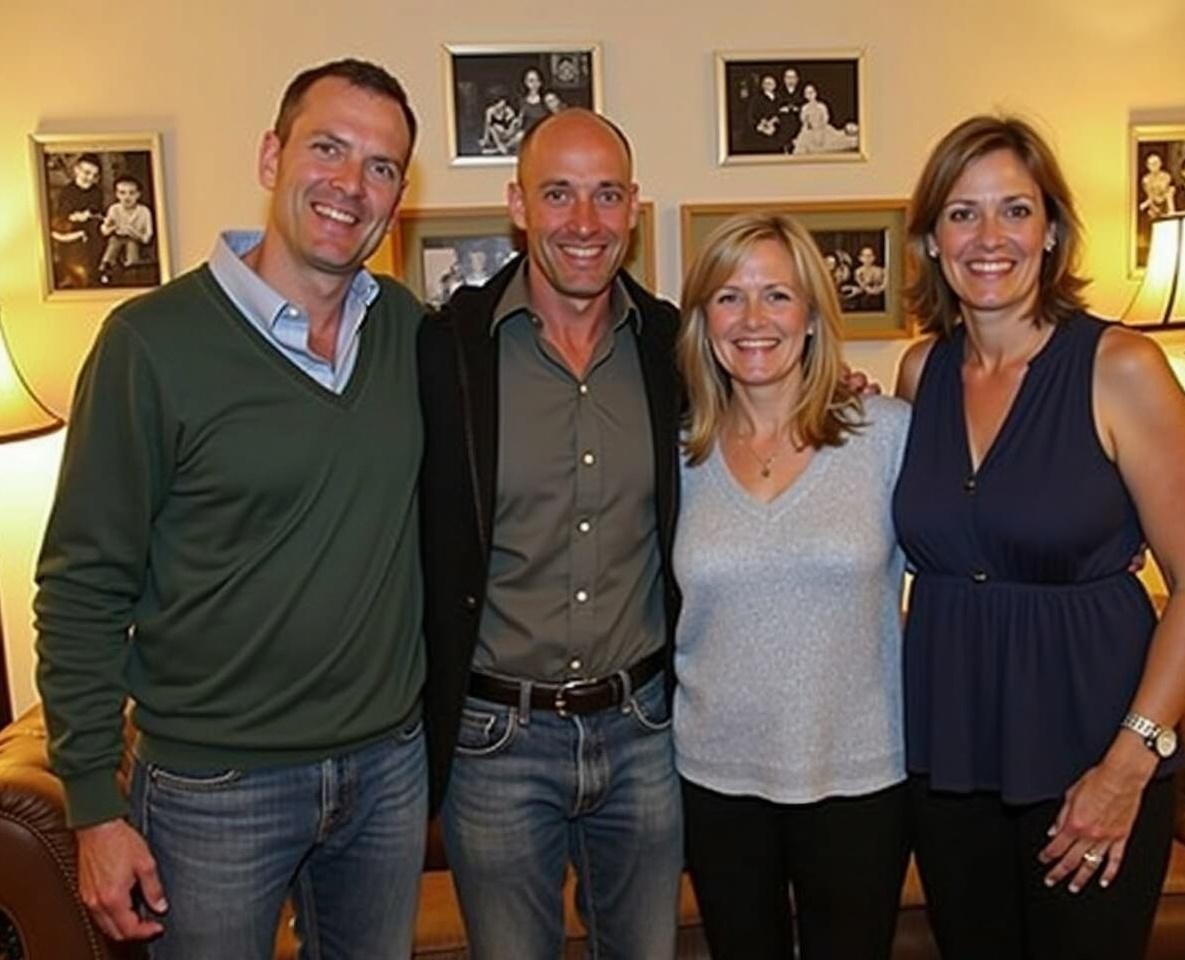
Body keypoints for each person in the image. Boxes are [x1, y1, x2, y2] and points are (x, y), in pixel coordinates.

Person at [34, 58, 427, 960]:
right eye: (328, 148)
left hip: (387, 771)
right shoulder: (150, 345)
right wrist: (93, 805)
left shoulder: (407, 332)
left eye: (381, 167)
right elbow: (82, 586)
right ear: (271, 155)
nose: (351, 185)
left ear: (398, 195)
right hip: (215, 786)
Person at [893, 114, 1185, 959]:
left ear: (1051, 231)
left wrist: (1128, 766)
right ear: (932, 240)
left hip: (1091, 748)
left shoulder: (1123, 368)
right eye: (963, 214)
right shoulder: (918, 373)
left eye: (1015, 209)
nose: (989, 237)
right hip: (950, 754)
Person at [417, 107, 684, 959]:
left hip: (644, 732)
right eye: (558, 194)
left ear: (634, 210)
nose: (583, 222)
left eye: (606, 195)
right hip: (497, 742)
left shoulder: (672, 347)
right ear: (518, 205)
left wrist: (845, 399)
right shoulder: (446, 351)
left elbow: (767, 417)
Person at [673, 212, 912, 959]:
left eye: (777, 295)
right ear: (702, 321)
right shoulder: (674, 454)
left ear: (811, 315)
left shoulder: (888, 434)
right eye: (728, 297)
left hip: (861, 777)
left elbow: (975, 545)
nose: (752, 320)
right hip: (715, 780)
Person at [49, 153, 104, 288]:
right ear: (76, 170)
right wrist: (74, 217)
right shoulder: (67, 192)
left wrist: (90, 216)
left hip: (91, 232)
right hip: (70, 232)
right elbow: (61, 216)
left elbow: (96, 211)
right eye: (86, 173)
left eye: (94, 175)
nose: (90, 178)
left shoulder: (97, 192)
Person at [97, 174, 154, 280]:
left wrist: (132, 232)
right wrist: (109, 227)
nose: (127, 197)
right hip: (117, 240)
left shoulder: (144, 211)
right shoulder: (114, 209)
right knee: (114, 241)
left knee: (131, 244)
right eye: (122, 193)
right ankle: (106, 266)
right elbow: (104, 231)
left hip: (136, 242)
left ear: (138, 194)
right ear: (117, 194)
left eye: (131, 193)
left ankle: (131, 267)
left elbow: (147, 238)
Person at [791, 82, 858, 155]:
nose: (810, 95)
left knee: (838, 140)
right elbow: (803, 120)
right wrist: (809, 126)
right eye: (807, 93)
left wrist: (820, 126)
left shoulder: (821, 106)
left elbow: (826, 118)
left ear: (815, 93)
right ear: (805, 95)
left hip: (823, 129)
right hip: (810, 131)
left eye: (811, 92)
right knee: (802, 146)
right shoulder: (805, 108)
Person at [746, 74, 784, 153]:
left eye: (771, 83)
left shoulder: (779, 98)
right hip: (762, 134)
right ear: (763, 85)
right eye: (766, 83)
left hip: (778, 133)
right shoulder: (756, 99)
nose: (769, 85)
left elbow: (782, 112)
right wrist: (758, 125)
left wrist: (777, 119)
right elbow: (750, 115)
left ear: (775, 85)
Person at [479, 89, 521, 155]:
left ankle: (501, 148)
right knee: (494, 127)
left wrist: (511, 120)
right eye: (501, 102)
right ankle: (499, 146)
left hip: (507, 133)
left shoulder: (507, 109)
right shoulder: (490, 110)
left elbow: (512, 120)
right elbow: (488, 125)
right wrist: (486, 138)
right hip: (496, 135)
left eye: (504, 102)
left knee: (518, 130)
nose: (503, 104)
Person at [1138, 152, 1174, 220]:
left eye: (1156, 163)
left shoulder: (1167, 177)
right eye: (1151, 164)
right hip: (1151, 206)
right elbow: (1150, 196)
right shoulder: (1145, 179)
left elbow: (1169, 194)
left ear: (1160, 163)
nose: (1154, 166)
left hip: (1166, 205)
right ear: (1147, 165)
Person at [775, 67, 805, 150]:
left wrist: (798, 109)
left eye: (793, 77)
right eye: (788, 77)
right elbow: (774, 109)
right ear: (784, 79)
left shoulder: (803, 93)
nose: (790, 80)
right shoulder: (778, 93)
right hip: (783, 127)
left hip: (799, 126)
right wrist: (781, 110)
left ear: (797, 79)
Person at [851, 244, 887, 311]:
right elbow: (862, 285)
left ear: (874, 257)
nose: (867, 258)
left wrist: (879, 289)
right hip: (864, 300)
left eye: (870, 256)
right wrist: (869, 289)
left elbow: (885, 284)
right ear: (860, 258)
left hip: (880, 299)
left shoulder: (881, 270)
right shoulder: (858, 272)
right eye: (865, 256)